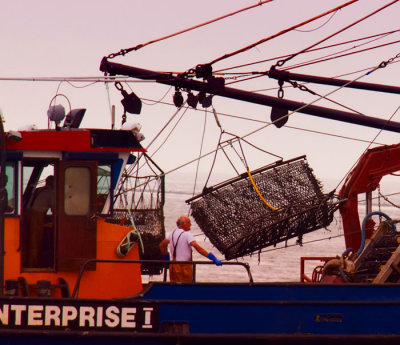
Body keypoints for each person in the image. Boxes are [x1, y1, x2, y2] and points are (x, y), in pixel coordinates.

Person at [159, 215, 222, 282]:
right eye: (189, 222)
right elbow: (198, 248)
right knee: (186, 287)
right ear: (183, 224)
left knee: (175, 286)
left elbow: (162, 245)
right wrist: (212, 258)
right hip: (184, 267)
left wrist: (167, 260)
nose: (190, 224)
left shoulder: (172, 233)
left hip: (173, 266)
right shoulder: (187, 234)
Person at [26, 175, 55, 267]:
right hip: (37, 215)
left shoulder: (39, 189)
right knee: (36, 240)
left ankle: (27, 261)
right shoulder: (50, 192)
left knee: (29, 239)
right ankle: (33, 264)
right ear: (52, 183)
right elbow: (55, 209)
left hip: (28, 213)